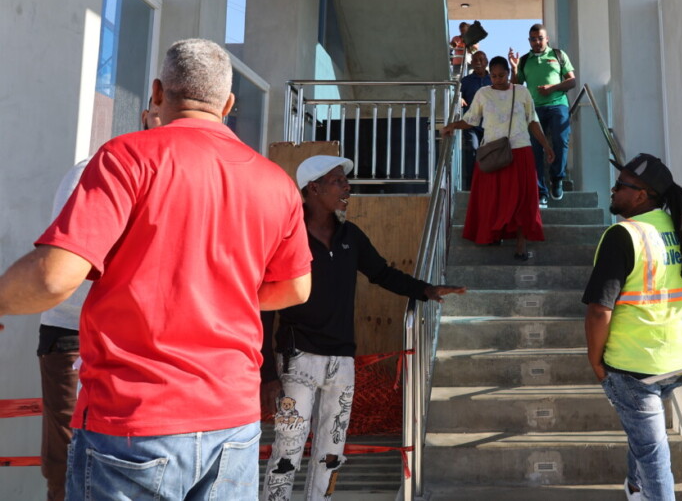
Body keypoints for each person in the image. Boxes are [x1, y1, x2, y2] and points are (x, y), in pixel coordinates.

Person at [0, 38, 313, 500]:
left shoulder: (125, 158)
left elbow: (52, 278)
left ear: (158, 93)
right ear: (227, 104)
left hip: (133, 421)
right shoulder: (275, 182)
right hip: (233, 422)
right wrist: (219, 294)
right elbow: (295, 287)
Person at [260, 155, 466, 501]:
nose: (347, 187)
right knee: (288, 449)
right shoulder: (286, 236)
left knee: (331, 452)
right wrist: (267, 371)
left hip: (342, 362)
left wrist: (426, 290)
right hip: (298, 362)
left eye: (345, 181)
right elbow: (266, 306)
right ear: (314, 188)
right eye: (338, 181)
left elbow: (382, 273)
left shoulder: (350, 236)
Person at [33, 100, 162, 501]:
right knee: (71, 461)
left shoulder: (171, 178)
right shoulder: (98, 169)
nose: (169, 125)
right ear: (144, 117)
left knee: (136, 460)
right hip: (76, 333)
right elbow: (65, 266)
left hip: (139, 340)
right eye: (161, 113)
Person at [582, 153, 682, 501]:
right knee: (644, 434)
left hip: (635, 365)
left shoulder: (623, 235)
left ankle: (650, 492)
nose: (613, 190)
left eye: (621, 185)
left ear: (641, 195)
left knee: (652, 451)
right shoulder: (679, 229)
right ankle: (636, 489)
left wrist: (596, 362)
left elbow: (600, 310)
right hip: (679, 358)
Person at [442, 56, 554, 261]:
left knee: (522, 199)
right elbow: (471, 119)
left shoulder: (522, 91)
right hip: (493, 152)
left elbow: (533, 121)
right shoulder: (483, 93)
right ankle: (493, 233)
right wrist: (452, 126)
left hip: (520, 151)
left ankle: (521, 242)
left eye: (501, 75)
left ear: (508, 74)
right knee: (491, 198)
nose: (497, 79)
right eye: (493, 76)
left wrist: (546, 145)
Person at [508, 23, 576, 208]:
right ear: (529, 41)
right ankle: (541, 192)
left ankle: (557, 178)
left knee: (561, 141)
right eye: (533, 39)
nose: (536, 42)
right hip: (533, 109)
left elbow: (572, 81)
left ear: (547, 39)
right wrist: (514, 68)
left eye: (540, 38)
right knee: (534, 149)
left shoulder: (558, 55)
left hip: (557, 106)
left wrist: (553, 88)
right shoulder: (524, 60)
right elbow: (515, 86)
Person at [459, 50, 492, 189]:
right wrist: (459, 98)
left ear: (486, 62)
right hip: (472, 124)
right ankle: (472, 185)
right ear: (471, 63)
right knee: (473, 149)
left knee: (490, 154)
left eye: (481, 59)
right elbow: (456, 95)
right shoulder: (466, 81)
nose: (478, 62)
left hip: (491, 124)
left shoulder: (493, 79)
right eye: (475, 60)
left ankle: (488, 184)